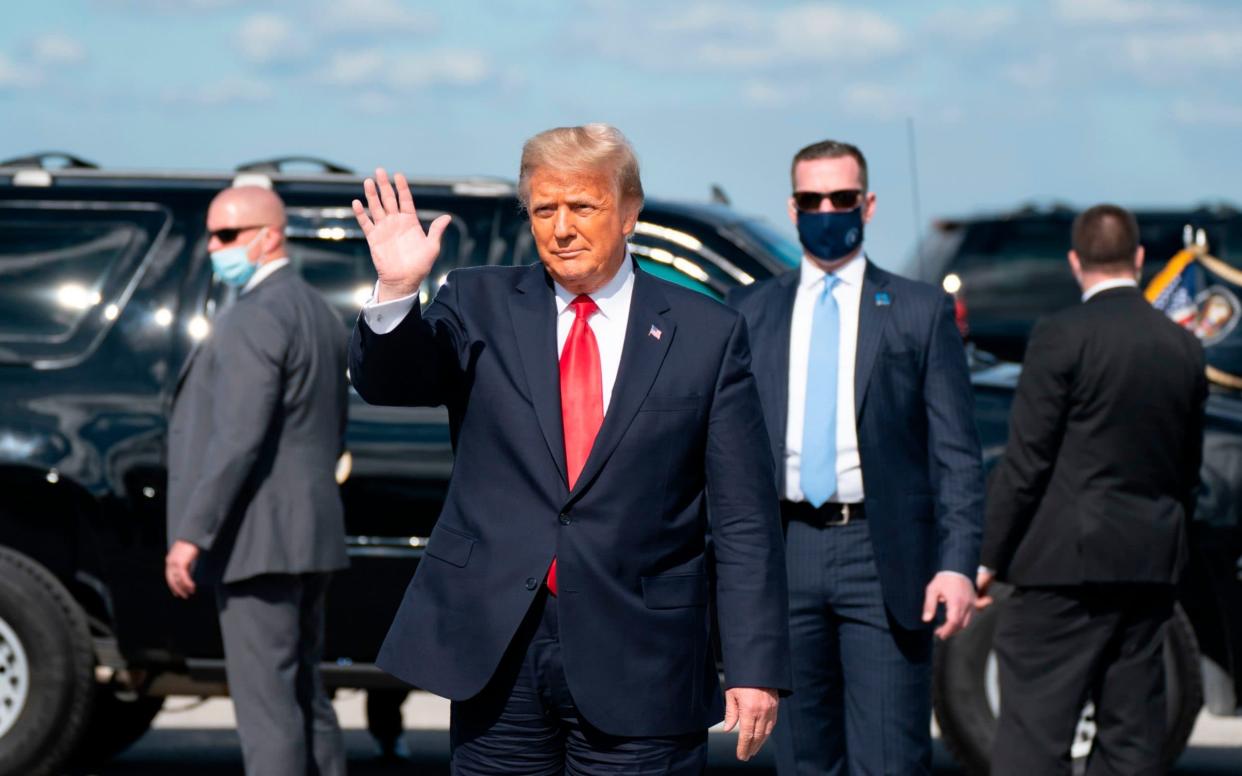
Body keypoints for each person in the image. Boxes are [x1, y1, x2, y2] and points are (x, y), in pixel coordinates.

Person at [349, 123, 790, 773]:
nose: (561, 228)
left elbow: (745, 517)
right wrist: (395, 292)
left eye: (582, 206)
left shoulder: (707, 334)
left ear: (631, 212)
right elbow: (391, 382)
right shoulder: (478, 302)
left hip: (643, 656)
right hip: (499, 650)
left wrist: (754, 666)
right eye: (544, 210)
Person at [728, 139, 984, 775]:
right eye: (812, 199)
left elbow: (956, 453)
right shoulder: (752, 312)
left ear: (866, 204)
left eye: (840, 198)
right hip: (784, 556)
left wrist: (956, 563)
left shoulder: (919, 311)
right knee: (801, 758)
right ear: (792, 208)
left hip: (881, 555)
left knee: (890, 758)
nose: (826, 209)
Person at [979, 204, 1207, 776]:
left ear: (1075, 262)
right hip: (1149, 566)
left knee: (1034, 735)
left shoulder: (1061, 335)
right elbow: (1186, 469)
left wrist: (987, 556)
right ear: (1138, 259)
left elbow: (1026, 461)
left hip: (1062, 570)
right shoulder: (1182, 346)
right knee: (1131, 742)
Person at [165, 186, 349, 776]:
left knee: (268, 710)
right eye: (211, 233)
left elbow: (237, 438)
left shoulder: (253, 315)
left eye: (226, 235)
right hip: (311, 536)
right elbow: (334, 429)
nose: (212, 246)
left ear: (269, 235)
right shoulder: (320, 311)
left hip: (256, 542)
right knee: (304, 695)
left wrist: (193, 533)